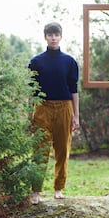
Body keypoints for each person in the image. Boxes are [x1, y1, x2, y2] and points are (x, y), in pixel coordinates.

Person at [28, 22, 80, 205]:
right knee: (40, 150)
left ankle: (58, 188)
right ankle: (35, 191)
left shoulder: (69, 61)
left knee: (62, 149)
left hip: (65, 107)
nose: (53, 38)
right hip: (42, 107)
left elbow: (74, 89)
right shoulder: (36, 61)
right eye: (50, 35)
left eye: (56, 34)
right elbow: (31, 91)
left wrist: (76, 116)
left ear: (61, 36)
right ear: (45, 37)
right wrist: (29, 116)